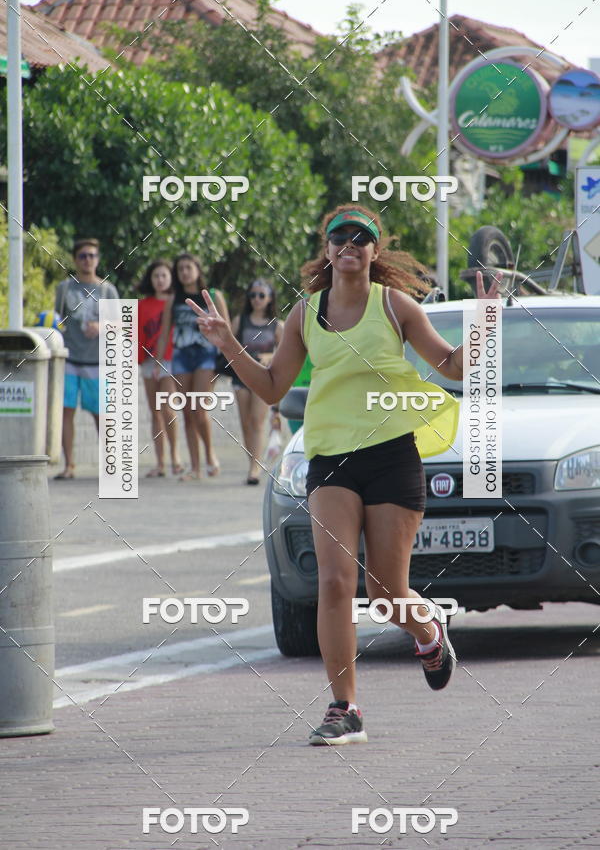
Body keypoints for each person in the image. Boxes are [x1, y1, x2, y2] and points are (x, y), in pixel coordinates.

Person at [185, 204, 502, 745]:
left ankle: (428, 629)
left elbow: (450, 366)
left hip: (392, 456)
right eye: (339, 238)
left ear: (374, 252)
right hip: (331, 461)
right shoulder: (305, 314)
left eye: (361, 238)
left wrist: (486, 321)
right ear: (327, 249)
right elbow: (270, 387)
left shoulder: (394, 305)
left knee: (385, 593)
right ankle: (344, 708)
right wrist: (226, 343)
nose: (349, 245)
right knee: (334, 583)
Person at [155, 253, 229, 481]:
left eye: (188, 267)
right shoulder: (173, 298)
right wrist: (159, 362)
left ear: (198, 269)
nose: (184, 272)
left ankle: (210, 455)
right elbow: (165, 331)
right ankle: (195, 468)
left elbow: (226, 330)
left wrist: (232, 358)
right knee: (187, 412)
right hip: (181, 357)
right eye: (180, 269)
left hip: (206, 355)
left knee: (199, 408)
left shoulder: (213, 295)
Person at [54, 238, 119, 479]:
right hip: (70, 358)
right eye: (83, 256)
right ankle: (69, 465)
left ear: (98, 259)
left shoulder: (107, 289)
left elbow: (121, 323)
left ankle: (110, 464)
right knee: (65, 411)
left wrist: (103, 326)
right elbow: (56, 319)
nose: (87, 260)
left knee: (101, 414)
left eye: (92, 255)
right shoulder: (64, 289)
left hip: (97, 361)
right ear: (75, 260)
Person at [230, 279, 283, 484]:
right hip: (241, 375)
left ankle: (255, 468)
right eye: (253, 295)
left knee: (257, 421)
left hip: (263, 375)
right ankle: (252, 461)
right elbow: (229, 346)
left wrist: (270, 357)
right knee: (245, 423)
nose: (257, 299)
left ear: (270, 298)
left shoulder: (277, 325)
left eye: (261, 295)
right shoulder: (239, 320)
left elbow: (287, 353)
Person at [137, 259, 183, 477]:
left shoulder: (176, 303)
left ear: (171, 278)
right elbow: (136, 336)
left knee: (167, 408)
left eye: (164, 275)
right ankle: (160, 463)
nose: (160, 280)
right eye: (156, 276)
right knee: (155, 412)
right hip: (148, 362)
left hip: (169, 360)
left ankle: (175, 457)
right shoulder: (142, 305)